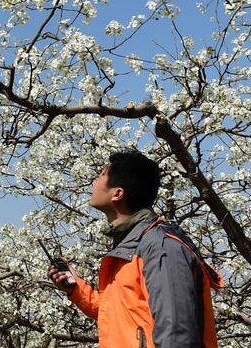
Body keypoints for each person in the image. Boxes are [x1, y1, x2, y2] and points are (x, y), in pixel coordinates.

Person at [47, 149, 223, 347]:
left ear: (117, 194)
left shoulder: (160, 246)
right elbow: (119, 314)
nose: (94, 182)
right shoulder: (130, 247)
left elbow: (177, 332)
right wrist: (76, 288)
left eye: (101, 175)